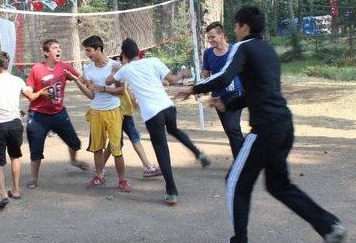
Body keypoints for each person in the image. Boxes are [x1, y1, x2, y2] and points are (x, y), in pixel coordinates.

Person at [175, 5, 346, 243]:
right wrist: (229, 104)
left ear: (244, 26)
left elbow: (223, 77)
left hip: (265, 128)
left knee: (235, 180)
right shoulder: (268, 51)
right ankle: (330, 227)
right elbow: (257, 92)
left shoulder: (243, 47)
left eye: (234, 25)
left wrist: (193, 88)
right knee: (279, 185)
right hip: (283, 125)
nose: (234, 30)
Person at [106, 38, 211, 205]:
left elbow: (108, 82)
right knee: (174, 130)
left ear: (124, 55)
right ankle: (198, 153)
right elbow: (173, 79)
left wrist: (116, 69)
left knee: (161, 149)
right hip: (168, 107)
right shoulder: (153, 61)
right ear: (138, 51)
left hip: (152, 113)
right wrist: (182, 75)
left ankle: (172, 191)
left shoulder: (125, 69)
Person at [67, 35, 131, 192]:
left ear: (98, 49)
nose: (87, 54)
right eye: (86, 51)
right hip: (96, 112)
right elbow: (91, 95)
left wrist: (104, 88)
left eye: (89, 51)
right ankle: (99, 176)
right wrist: (77, 81)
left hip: (114, 112)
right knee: (97, 148)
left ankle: (122, 180)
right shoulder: (88, 69)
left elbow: (122, 91)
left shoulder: (115, 66)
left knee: (116, 149)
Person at [25, 39, 89, 189]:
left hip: (58, 113)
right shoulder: (37, 69)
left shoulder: (64, 67)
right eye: (54, 48)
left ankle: (74, 161)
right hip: (38, 115)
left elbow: (80, 78)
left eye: (59, 47)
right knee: (36, 149)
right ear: (46, 52)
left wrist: (92, 74)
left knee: (75, 143)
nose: (58, 50)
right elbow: (29, 88)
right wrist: (35, 93)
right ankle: (33, 179)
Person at [0, 51, 32, 209]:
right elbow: (24, 94)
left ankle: (4, 193)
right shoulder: (18, 80)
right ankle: (16, 190)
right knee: (15, 156)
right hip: (15, 123)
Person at [202, 22, 244, 159]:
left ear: (222, 35)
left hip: (235, 94)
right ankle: (246, 156)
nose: (210, 40)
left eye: (212, 37)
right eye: (208, 38)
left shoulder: (235, 50)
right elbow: (206, 74)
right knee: (229, 129)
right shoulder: (208, 53)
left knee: (232, 127)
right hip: (218, 97)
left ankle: (242, 161)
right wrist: (203, 90)